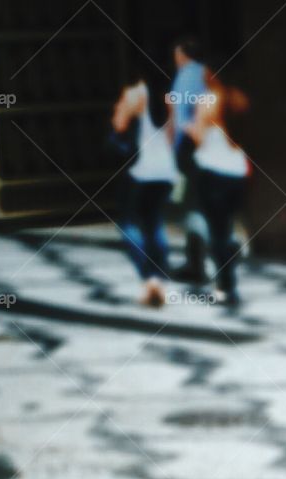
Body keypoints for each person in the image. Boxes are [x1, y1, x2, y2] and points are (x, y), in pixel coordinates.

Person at [182, 65, 251, 308]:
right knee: (227, 225)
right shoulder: (239, 99)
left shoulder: (207, 100)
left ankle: (227, 287)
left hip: (212, 171)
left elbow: (200, 138)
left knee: (218, 232)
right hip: (238, 171)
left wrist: (189, 128)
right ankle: (231, 260)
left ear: (212, 74)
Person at [111, 69, 177, 307]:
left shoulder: (134, 94)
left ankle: (148, 278)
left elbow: (119, 126)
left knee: (129, 224)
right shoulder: (169, 97)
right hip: (166, 171)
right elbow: (172, 135)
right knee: (155, 222)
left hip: (141, 171)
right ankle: (159, 279)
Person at [169, 36, 211, 284]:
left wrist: (173, 153)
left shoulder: (184, 76)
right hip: (209, 147)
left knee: (192, 205)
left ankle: (196, 264)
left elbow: (178, 117)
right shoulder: (208, 74)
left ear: (184, 56)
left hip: (189, 146)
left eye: (177, 54)